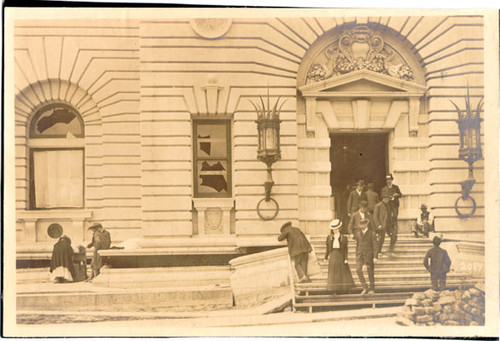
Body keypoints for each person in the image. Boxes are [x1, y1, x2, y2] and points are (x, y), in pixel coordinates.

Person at [324, 219, 355, 295]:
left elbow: (345, 249)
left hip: (340, 256)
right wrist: (325, 257)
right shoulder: (329, 238)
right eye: (333, 229)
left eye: (336, 229)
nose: (335, 230)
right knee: (333, 273)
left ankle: (343, 289)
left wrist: (346, 258)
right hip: (333, 255)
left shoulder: (343, 238)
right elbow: (328, 249)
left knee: (342, 272)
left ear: (339, 228)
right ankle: (334, 290)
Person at [354, 219, 378, 294]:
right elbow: (357, 245)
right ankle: (365, 287)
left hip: (369, 255)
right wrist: (357, 254)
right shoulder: (358, 234)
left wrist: (375, 256)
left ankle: (372, 289)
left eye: (363, 225)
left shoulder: (372, 234)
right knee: (358, 270)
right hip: (360, 255)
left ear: (366, 225)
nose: (361, 227)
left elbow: (375, 246)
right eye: (360, 225)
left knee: (370, 272)